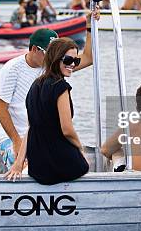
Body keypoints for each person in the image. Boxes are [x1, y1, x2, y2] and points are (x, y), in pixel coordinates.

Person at [0, 11, 98, 172]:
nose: (53, 57)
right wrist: (16, 140)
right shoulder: (11, 69)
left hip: (43, 135)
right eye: (48, 53)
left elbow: (89, 58)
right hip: (16, 136)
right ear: (35, 49)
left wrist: (89, 27)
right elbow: (0, 108)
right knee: (27, 169)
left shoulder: (54, 66)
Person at [6, 38, 89, 185]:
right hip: (57, 164)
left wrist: (18, 164)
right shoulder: (61, 87)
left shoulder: (34, 86)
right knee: (85, 166)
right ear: (56, 58)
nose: (72, 65)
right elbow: (67, 130)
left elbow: (31, 128)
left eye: (75, 61)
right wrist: (81, 150)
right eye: (68, 59)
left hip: (38, 168)